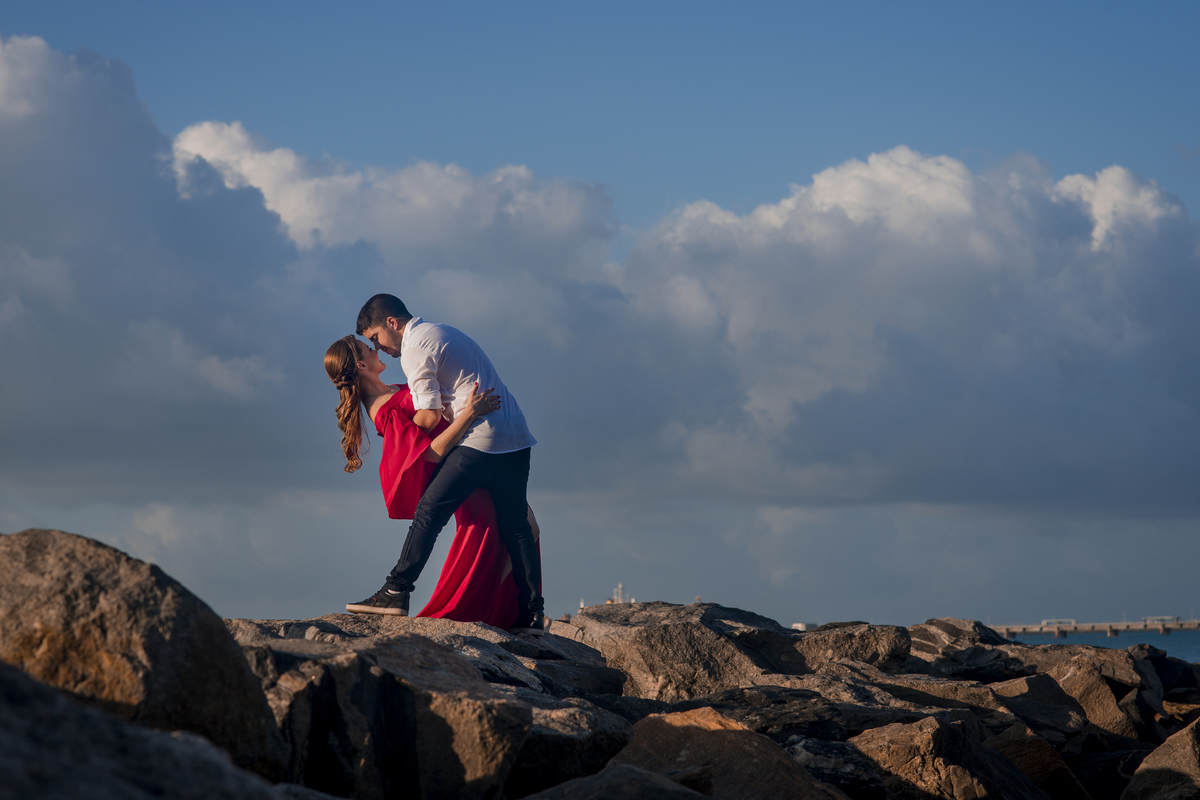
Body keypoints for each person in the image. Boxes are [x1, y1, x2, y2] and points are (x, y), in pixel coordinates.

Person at [352, 295, 544, 635]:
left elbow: (428, 416)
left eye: (376, 338)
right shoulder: (440, 331)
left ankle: (396, 590)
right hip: (516, 439)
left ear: (392, 324)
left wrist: (404, 433)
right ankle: (532, 616)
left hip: (480, 440)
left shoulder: (415, 348)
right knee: (516, 527)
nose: (379, 348)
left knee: (429, 512)